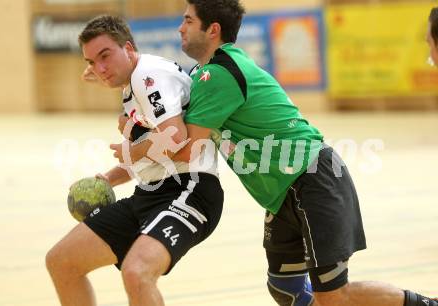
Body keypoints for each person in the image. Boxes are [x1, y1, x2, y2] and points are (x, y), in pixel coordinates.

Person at [172, 1, 438, 305]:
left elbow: (189, 150)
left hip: (311, 179)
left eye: (188, 21)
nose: (181, 27)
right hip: (283, 191)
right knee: (286, 288)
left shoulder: (220, 73)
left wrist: (136, 144)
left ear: (213, 29)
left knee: (334, 294)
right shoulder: (206, 73)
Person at [45, 15, 223, 306]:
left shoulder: (146, 75)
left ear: (128, 47)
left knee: (136, 272)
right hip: (150, 194)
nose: (99, 69)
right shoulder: (134, 85)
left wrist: (133, 150)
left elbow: (174, 137)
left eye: (105, 56)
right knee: (62, 261)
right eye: (90, 62)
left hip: (190, 190)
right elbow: (152, 153)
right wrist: (108, 178)